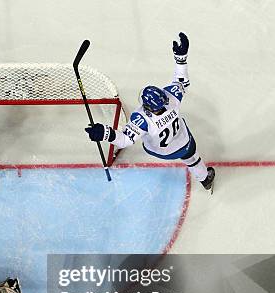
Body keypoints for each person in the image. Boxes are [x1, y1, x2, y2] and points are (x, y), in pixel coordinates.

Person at [85, 32, 216, 192]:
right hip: (183, 141)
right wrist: (181, 59)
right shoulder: (172, 98)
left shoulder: (141, 119)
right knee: (192, 159)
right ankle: (205, 180)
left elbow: (125, 140)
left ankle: (200, 173)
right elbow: (182, 81)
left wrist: (104, 133)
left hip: (159, 150)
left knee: (180, 152)